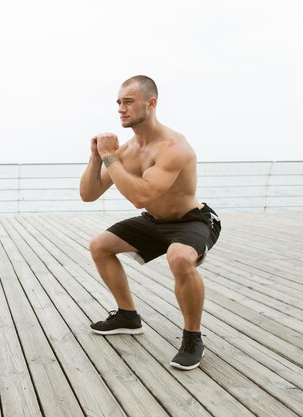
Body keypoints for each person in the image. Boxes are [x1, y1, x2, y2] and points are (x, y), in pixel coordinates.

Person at [79, 75, 221, 370]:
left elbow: (141, 196)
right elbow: (88, 194)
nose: (121, 108)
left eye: (128, 102)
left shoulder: (173, 147)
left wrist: (109, 157)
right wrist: (96, 158)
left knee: (180, 258)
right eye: (119, 102)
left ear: (151, 103)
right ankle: (127, 316)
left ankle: (193, 338)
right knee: (100, 245)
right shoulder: (127, 151)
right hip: (154, 220)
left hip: (192, 220)